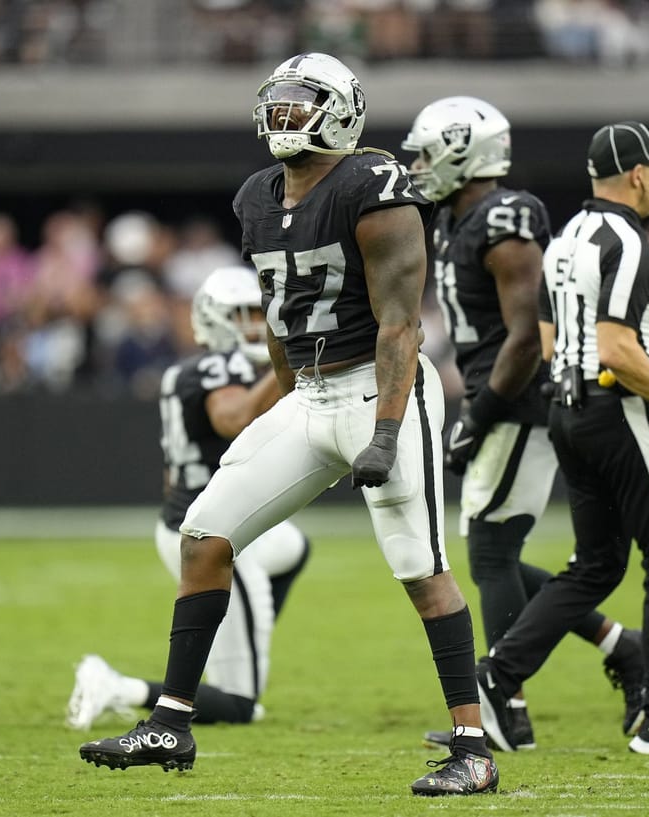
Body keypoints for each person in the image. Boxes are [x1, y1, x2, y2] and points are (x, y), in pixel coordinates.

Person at [78, 53, 498, 797]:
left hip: (380, 387)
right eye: (277, 99)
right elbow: (279, 321)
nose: (282, 113)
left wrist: (386, 431)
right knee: (204, 533)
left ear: (341, 110)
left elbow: (400, 324)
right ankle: (170, 720)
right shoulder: (256, 197)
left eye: (301, 100)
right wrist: (282, 402)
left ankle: (473, 745)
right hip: (308, 394)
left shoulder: (374, 186)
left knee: (421, 568)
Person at [474, 120, 649, 754]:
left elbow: (552, 341)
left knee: (595, 565)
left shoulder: (568, 235)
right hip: (618, 412)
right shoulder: (626, 239)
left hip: (572, 411)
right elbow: (618, 349)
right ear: (635, 174)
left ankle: (496, 677)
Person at [401, 96, 647, 753]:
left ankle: (504, 701)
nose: (420, 167)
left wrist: (476, 416)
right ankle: (624, 647)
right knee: (495, 554)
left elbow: (526, 336)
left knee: (489, 551)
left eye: (429, 153)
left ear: (465, 152)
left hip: (522, 398)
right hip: (503, 395)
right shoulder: (455, 219)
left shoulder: (504, 219)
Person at [65, 266, 310, 730]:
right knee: (240, 706)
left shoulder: (184, 370)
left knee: (295, 547)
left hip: (187, 520)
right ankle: (119, 686)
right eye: (242, 315)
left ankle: (230, 643)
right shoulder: (223, 367)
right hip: (216, 534)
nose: (255, 325)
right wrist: (288, 369)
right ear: (215, 318)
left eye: (259, 314)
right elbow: (231, 418)